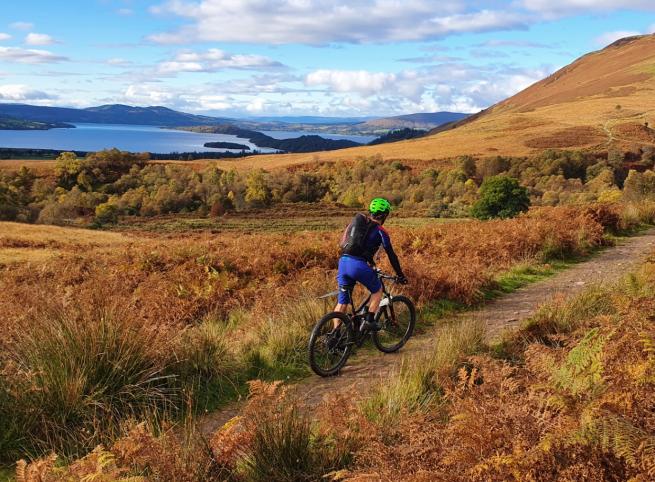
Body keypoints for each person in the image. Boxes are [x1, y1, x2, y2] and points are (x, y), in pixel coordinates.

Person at [334, 197, 407, 331]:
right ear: (384, 215)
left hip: (343, 262)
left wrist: (371, 263)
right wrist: (400, 275)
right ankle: (369, 320)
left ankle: (335, 337)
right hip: (357, 265)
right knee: (377, 291)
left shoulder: (358, 224)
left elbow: (358, 246)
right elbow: (391, 255)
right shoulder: (380, 230)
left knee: (342, 303)